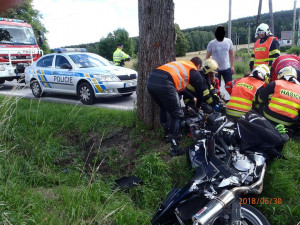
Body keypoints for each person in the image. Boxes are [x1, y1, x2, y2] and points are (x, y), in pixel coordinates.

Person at [147, 57, 204, 157]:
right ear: (198, 66)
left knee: (163, 107)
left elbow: (180, 88)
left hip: (151, 80)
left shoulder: (183, 64)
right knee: (177, 115)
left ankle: (168, 135)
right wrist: (198, 106)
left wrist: (191, 97)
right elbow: (201, 92)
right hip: (165, 82)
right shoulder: (194, 71)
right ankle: (174, 149)